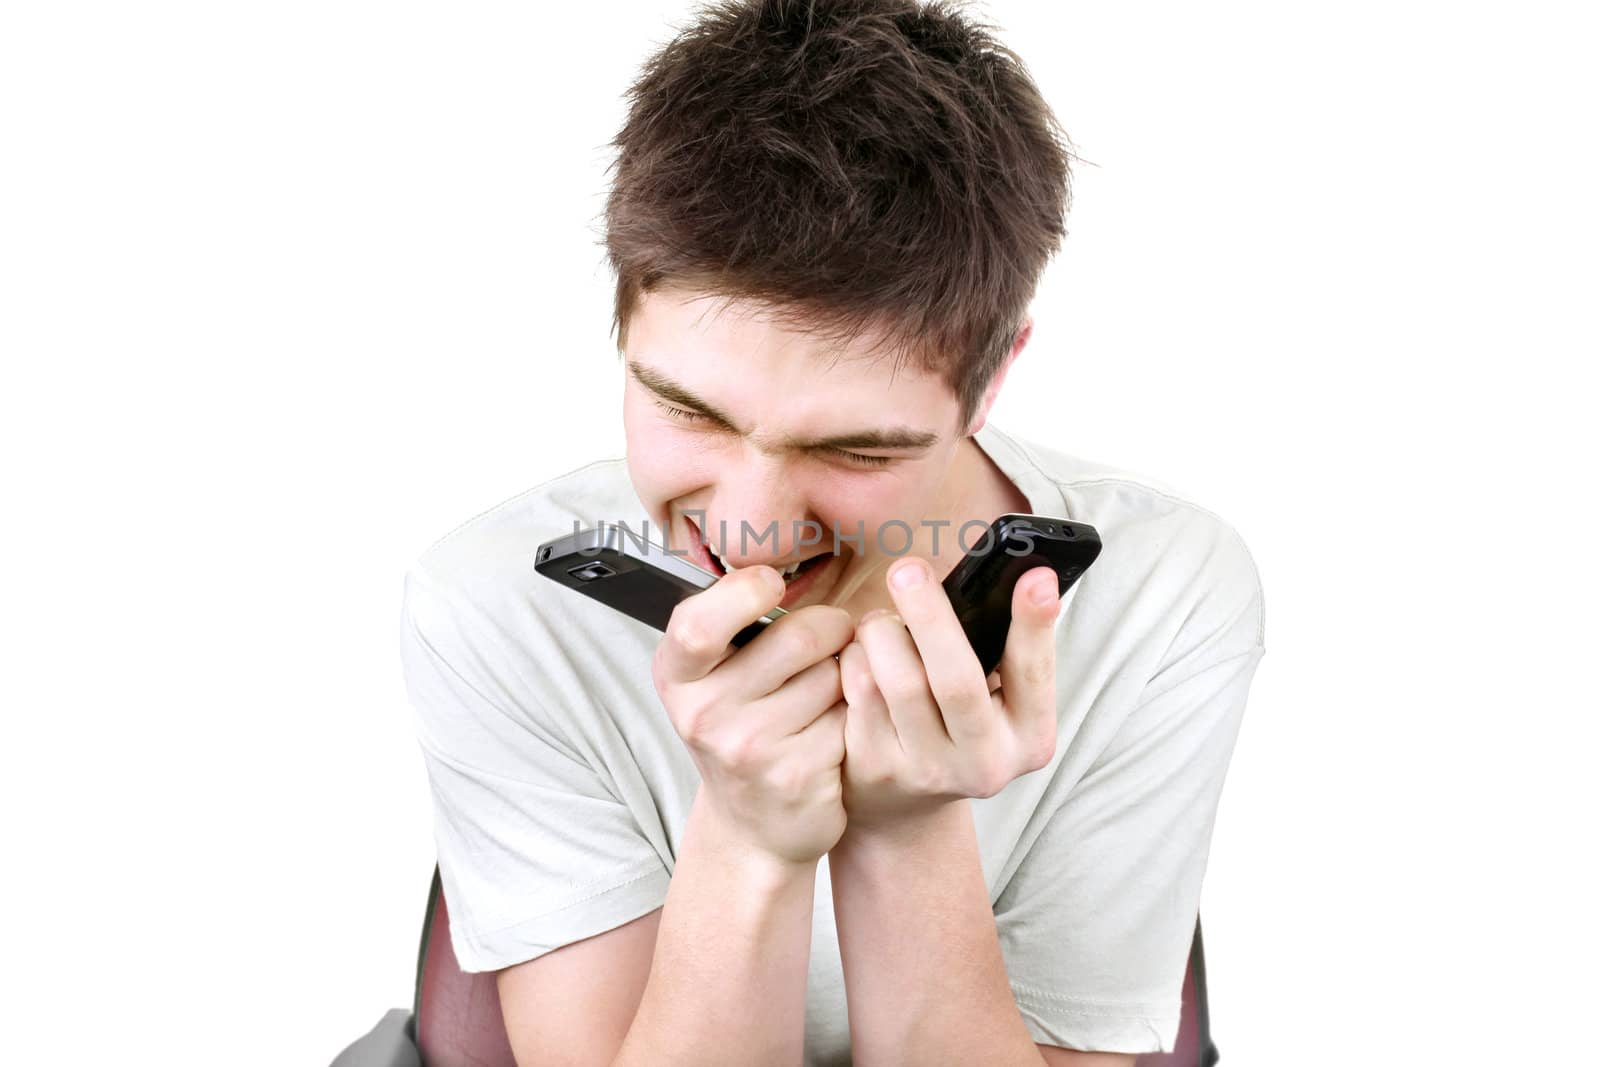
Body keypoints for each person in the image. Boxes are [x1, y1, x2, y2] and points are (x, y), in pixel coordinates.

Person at [399, 1, 1266, 1064]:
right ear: (622, 322)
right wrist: (748, 836)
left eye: (854, 450)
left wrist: (908, 827)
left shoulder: (1164, 594)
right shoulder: (493, 603)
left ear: (991, 379)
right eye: (691, 411)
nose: (750, 530)